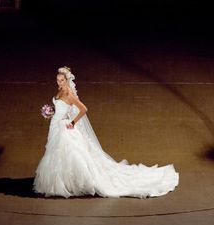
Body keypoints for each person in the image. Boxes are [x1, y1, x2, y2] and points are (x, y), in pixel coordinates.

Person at [33, 66, 179, 198]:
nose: (59, 82)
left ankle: (72, 183)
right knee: (58, 154)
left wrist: (72, 122)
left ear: (67, 80)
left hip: (65, 127)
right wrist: (52, 112)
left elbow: (83, 109)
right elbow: (61, 107)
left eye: (62, 80)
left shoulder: (69, 93)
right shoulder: (60, 91)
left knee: (71, 154)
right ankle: (66, 181)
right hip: (56, 124)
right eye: (58, 80)